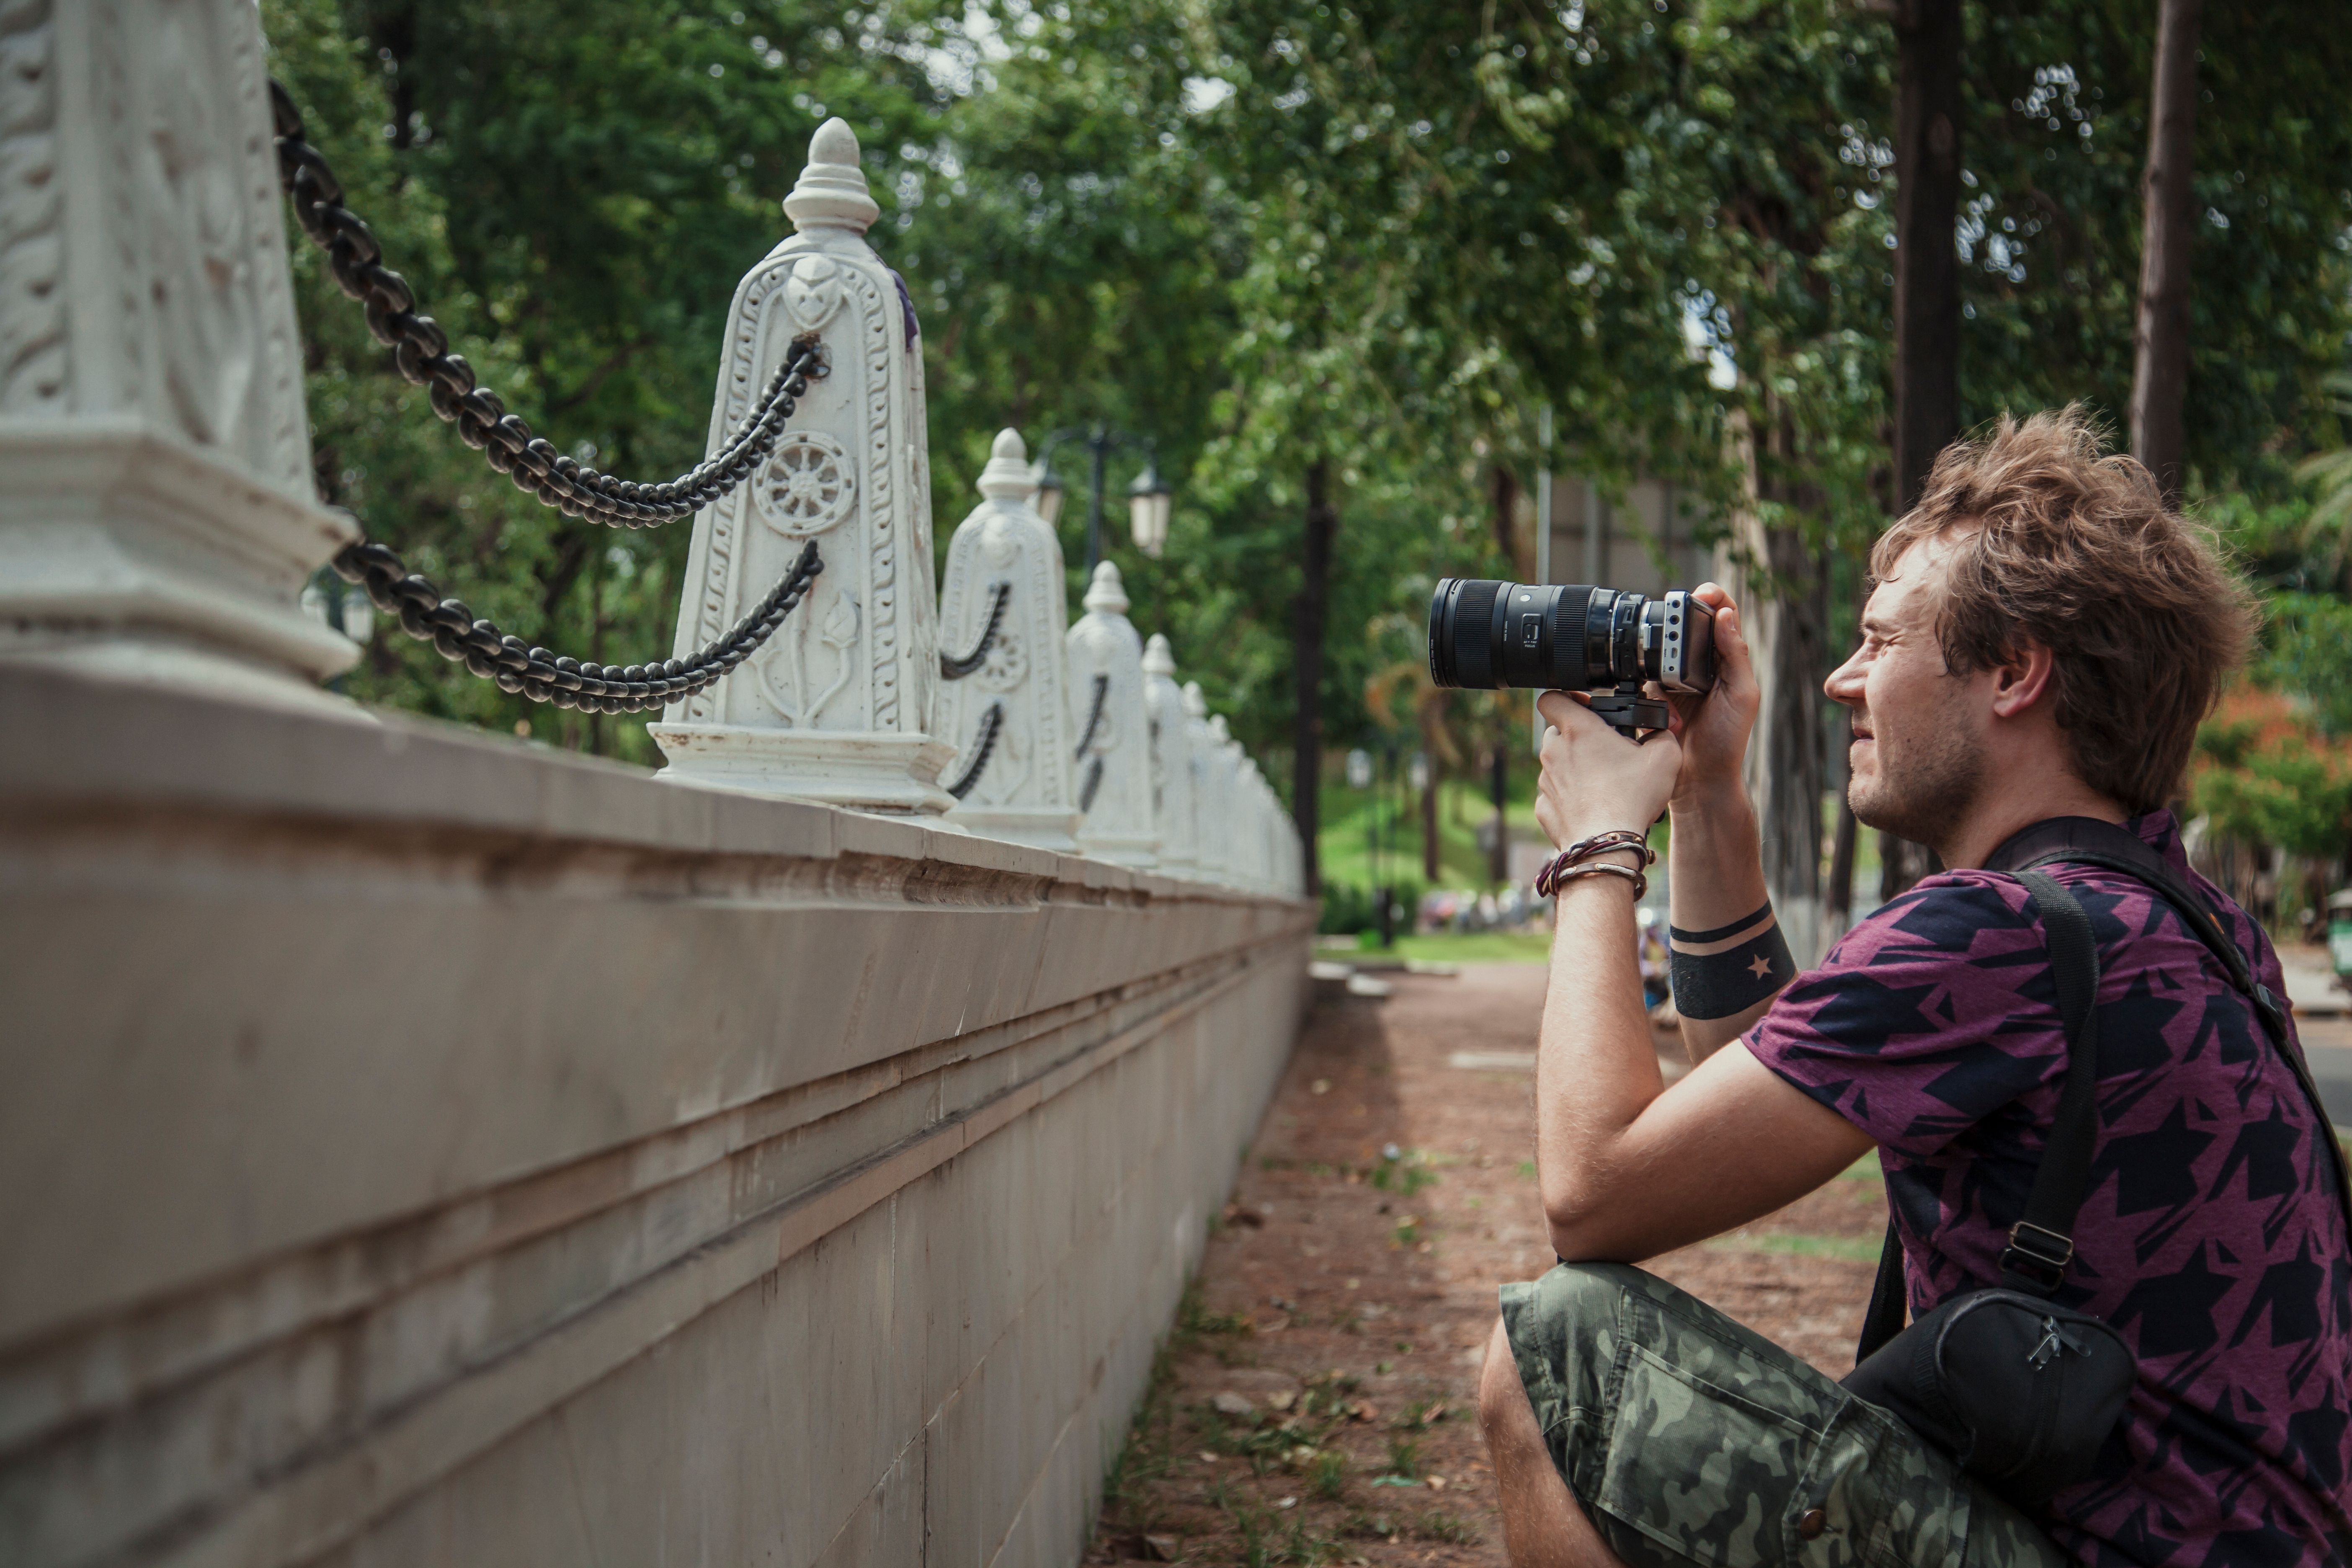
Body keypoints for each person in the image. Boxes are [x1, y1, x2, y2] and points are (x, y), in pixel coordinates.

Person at [1476, 410, 2352, 1568]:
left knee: (1558, 1353)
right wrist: (1707, 795)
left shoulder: (1997, 931)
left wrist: (1598, 846)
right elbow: (1763, 1063)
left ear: (2015, 672)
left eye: (1882, 643)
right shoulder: (2184, 920)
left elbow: (1594, 1192)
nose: (1844, 681)